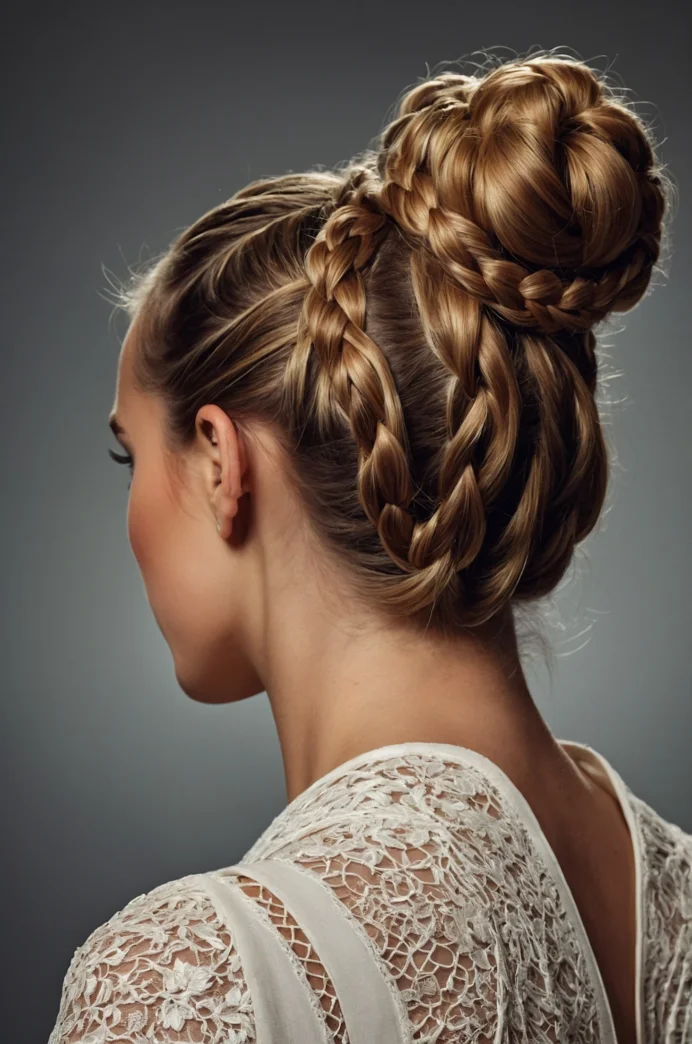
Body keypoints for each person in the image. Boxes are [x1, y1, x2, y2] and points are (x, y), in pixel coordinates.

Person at [49, 50, 691, 1044]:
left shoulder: (190, 979)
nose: (129, 504)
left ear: (220, 463)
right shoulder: (680, 897)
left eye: (123, 451)